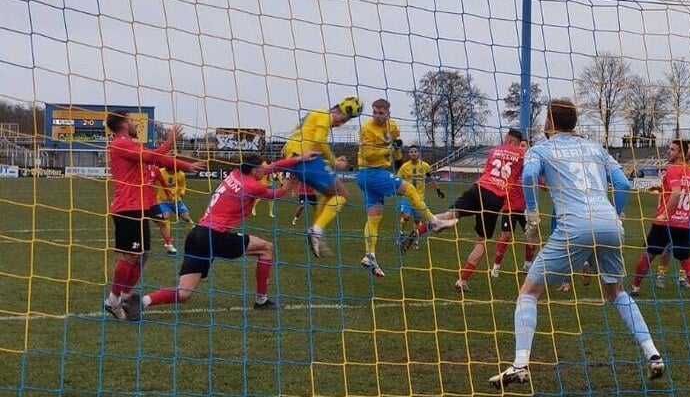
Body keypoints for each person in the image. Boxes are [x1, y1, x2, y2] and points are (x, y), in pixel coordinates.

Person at [489, 100, 664, 388]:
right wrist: (618, 214)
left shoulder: (540, 149)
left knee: (530, 291)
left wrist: (532, 213)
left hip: (575, 225)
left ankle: (520, 364)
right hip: (608, 223)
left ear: (549, 122)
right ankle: (653, 354)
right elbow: (622, 185)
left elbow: (530, 175)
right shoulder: (595, 148)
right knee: (617, 292)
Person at [122, 153, 313, 320]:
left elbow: (272, 167)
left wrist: (299, 159)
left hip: (197, 235)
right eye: (260, 168)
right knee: (266, 248)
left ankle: (142, 301)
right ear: (254, 170)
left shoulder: (235, 174)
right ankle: (261, 301)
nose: (264, 170)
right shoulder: (252, 185)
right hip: (214, 236)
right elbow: (275, 194)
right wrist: (288, 186)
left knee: (184, 293)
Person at [103, 111, 204, 321]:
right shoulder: (121, 143)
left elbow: (155, 159)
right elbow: (152, 157)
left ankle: (125, 297)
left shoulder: (130, 145)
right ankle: (113, 300)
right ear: (122, 123)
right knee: (130, 256)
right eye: (130, 121)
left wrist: (186, 166)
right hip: (127, 207)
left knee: (142, 255)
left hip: (140, 207)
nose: (133, 125)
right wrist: (170, 141)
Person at [403, 128, 525, 292]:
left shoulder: (495, 150)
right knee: (481, 241)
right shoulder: (523, 155)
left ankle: (419, 230)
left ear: (508, 139)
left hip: (478, 188)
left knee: (450, 214)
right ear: (517, 142)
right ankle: (462, 280)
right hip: (495, 198)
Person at [356, 99, 456, 278]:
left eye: (381, 113)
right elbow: (369, 155)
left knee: (374, 218)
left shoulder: (393, 127)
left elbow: (396, 154)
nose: (378, 116)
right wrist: (387, 148)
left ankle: (369, 255)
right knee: (409, 189)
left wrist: (396, 150)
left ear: (388, 113)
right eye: (375, 113)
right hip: (371, 172)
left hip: (372, 175)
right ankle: (434, 221)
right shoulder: (366, 129)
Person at [282, 96, 362, 258]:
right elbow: (319, 140)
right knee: (342, 194)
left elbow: (311, 148)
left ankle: (316, 230)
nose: (340, 123)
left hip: (296, 160)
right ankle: (316, 231)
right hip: (302, 159)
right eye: (343, 119)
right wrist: (334, 161)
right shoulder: (324, 116)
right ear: (337, 110)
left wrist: (329, 162)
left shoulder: (311, 120)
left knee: (331, 193)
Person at [629, 140, 690, 302]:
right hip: (683, 221)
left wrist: (665, 214)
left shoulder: (671, 169)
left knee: (649, 254)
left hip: (665, 221)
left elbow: (677, 193)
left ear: (681, 154)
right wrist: (660, 189)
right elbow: (682, 191)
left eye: (672, 150)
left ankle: (635, 286)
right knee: (685, 257)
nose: (668, 152)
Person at [655, 140, 690, 289]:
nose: (687, 150)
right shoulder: (674, 168)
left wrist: (688, 191)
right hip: (674, 213)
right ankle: (661, 275)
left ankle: (682, 277)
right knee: (669, 245)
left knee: (688, 247)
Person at [489, 139, 537, 279]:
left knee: (531, 236)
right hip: (509, 207)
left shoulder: (530, 167)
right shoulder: (512, 165)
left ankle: (527, 266)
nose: (521, 148)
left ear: (528, 149)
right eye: (519, 145)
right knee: (506, 236)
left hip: (526, 209)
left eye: (524, 146)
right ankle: (496, 268)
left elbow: (542, 184)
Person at [395, 145, 446, 250]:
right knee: (406, 216)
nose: (413, 153)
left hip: (419, 198)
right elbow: (398, 179)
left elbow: (430, 177)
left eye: (415, 151)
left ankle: (414, 238)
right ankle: (401, 233)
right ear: (409, 154)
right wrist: (397, 190)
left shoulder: (425, 166)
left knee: (417, 220)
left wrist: (438, 189)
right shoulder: (404, 167)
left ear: (418, 153)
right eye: (411, 152)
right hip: (407, 197)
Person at [147, 164, 179, 254]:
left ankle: (169, 245)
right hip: (138, 203)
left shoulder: (155, 169)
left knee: (162, 223)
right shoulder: (135, 168)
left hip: (152, 203)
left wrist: (169, 195)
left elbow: (163, 183)